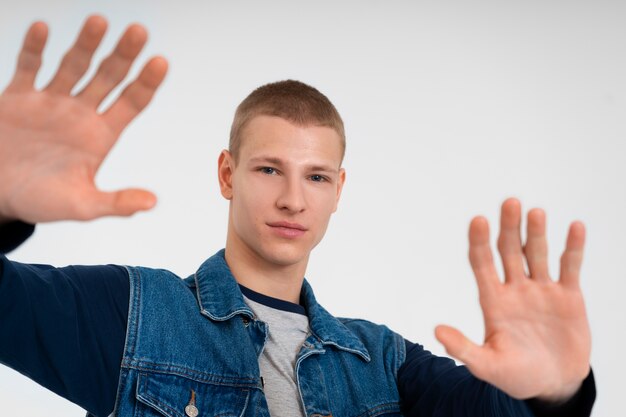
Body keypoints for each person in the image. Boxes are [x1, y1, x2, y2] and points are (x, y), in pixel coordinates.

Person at [0, 15, 596, 417]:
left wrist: (556, 389)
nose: (293, 199)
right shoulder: (130, 312)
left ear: (339, 190)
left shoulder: (383, 362)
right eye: (268, 170)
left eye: (315, 177)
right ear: (227, 174)